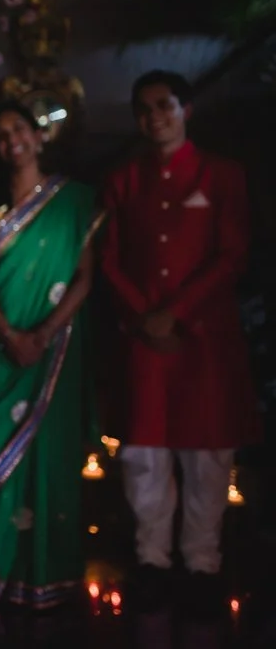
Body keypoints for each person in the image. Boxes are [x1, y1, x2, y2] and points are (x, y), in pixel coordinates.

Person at [100, 70, 259, 610]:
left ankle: (202, 564)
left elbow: (232, 254)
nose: (154, 116)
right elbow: (110, 257)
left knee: (207, 456)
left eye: (165, 105)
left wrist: (176, 314)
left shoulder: (222, 175)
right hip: (143, 338)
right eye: (144, 108)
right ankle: (152, 561)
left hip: (204, 342)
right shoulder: (123, 180)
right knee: (144, 453)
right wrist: (146, 317)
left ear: (186, 110)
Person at [0, 100, 100, 609]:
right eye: (0, 134)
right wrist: (9, 333)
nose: (11, 140)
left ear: (40, 136)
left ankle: (50, 575)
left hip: (55, 348)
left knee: (54, 459)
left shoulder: (75, 201)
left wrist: (42, 334)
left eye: (19, 129)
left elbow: (84, 276)